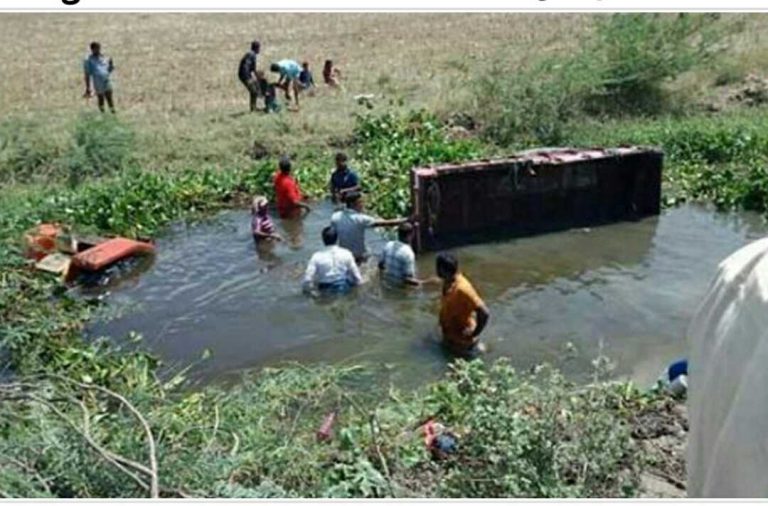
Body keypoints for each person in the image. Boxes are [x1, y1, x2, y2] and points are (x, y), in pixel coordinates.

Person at [436, 252, 490, 357]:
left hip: (462, 343)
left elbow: (484, 312)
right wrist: (423, 282)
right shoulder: (448, 280)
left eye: (438, 268)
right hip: (451, 337)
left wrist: (474, 333)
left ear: (443, 270)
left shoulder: (462, 289)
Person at [330, 191, 406, 263]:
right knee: (370, 256)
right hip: (358, 256)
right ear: (353, 204)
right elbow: (386, 223)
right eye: (361, 202)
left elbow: (333, 237)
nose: (363, 205)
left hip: (342, 255)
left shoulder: (335, 217)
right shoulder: (361, 218)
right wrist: (406, 220)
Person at [303, 226, 363, 295]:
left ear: (323, 239)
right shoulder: (346, 253)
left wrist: (310, 292)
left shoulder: (316, 256)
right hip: (344, 288)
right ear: (337, 239)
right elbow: (357, 277)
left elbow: (307, 279)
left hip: (324, 289)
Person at [379, 222, 432, 287]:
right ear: (411, 235)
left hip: (387, 283)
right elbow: (407, 280)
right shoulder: (408, 253)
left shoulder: (388, 245)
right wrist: (427, 282)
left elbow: (380, 265)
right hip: (399, 288)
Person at [83, 42, 116, 113]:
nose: (98, 50)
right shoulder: (89, 60)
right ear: (92, 49)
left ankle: (113, 112)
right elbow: (87, 74)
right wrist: (88, 87)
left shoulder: (103, 57)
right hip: (98, 81)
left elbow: (108, 70)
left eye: (99, 48)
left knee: (109, 97)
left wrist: (111, 65)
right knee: (101, 98)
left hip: (106, 80)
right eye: (96, 48)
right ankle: (102, 113)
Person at [238, 40, 261, 112]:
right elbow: (253, 69)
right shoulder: (252, 55)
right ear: (257, 48)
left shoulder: (249, 54)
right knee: (254, 91)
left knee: (254, 90)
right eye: (259, 48)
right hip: (245, 75)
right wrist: (258, 78)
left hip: (244, 74)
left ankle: (253, 108)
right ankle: (253, 109)